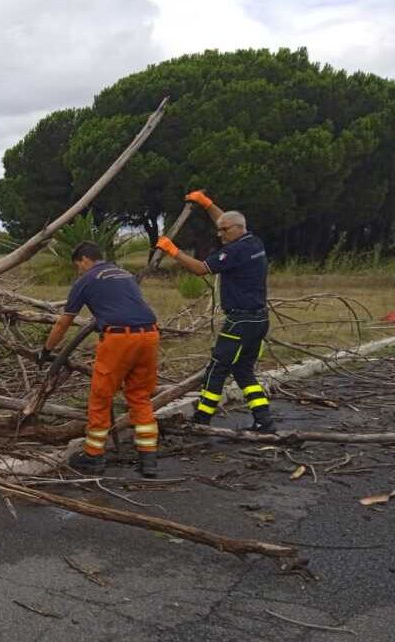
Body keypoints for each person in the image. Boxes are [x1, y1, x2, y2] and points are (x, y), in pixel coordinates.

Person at [155, 190, 276, 432]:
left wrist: (173, 251)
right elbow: (227, 220)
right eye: (219, 230)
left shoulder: (234, 251)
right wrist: (207, 204)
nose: (220, 234)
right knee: (243, 370)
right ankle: (264, 420)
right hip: (259, 320)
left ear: (238, 228)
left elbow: (201, 269)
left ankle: (201, 420)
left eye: (224, 231)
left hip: (240, 322)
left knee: (217, 369)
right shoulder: (253, 241)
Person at [37, 241, 160, 477]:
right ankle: (149, 459)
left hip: (119, 339)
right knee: (140, 395)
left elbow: (65, 321)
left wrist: (46, 349)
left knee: (101, 396)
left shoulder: (86, 280)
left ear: (84, 260)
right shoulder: (124, 274)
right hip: (150, 334)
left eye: (78, 266)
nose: (79, 270)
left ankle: (94, 456)